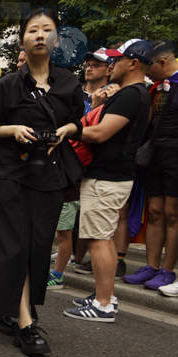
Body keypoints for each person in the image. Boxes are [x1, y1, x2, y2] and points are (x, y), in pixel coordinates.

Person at [0, 8, 84, 356]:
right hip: (11, 174)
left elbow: (79, 122)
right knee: (13, 246)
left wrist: (66, 130)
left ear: (55, 39)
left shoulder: (68, 82)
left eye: (46, 30)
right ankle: (25, 322)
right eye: (33, 30)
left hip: (48, 176)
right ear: (22, 39)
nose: (39, 35)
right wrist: (13, 130)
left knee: (37, 247)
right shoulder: (9, 84)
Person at [64, 39, 153, 321]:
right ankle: (106, 295)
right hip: (110, 176)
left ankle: (103, 304)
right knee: (102, 239)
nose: (112, 64)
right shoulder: (133, 93)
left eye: (118, 59)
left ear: (134, 63)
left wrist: (70, 129)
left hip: (108, 178)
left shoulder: (131, 95)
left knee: (98, 239)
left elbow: (101, 133)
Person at [124, 40, 178, 295]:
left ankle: (168, 269)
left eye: (150, 67)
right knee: (154, 211)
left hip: (175, 157)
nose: (146, 72)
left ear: (163, 62)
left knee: (172, 212)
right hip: (154, 155)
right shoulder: (154, 89)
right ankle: (151, 266)